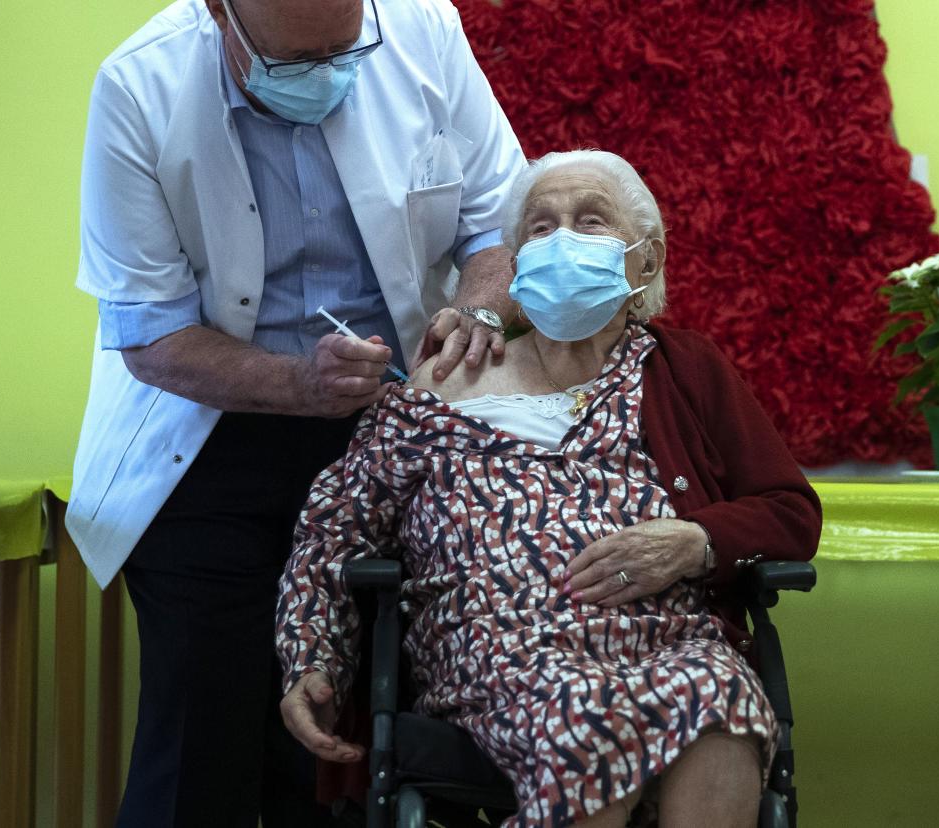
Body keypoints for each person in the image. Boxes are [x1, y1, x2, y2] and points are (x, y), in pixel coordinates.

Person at [65, 0, 525, 824]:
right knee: (203, 727)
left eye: (343, 52)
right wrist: (297, 388)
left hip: (392, 433)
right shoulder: (138, 86)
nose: (327, 78)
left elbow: (500, 221)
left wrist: (480, 313)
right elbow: (153, 336)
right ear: (220, 14)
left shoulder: (424, 30)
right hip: (208, 435)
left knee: (368, 731)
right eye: (293, 61)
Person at [277, 150, 822, 826]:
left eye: (590, 222)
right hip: (504, 653)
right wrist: (313, 654)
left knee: (724, 695)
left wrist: (696, 541)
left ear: (644, 263)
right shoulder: (445, 385)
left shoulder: (684, 372)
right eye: (539, 228)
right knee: (587, 716)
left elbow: (789, 512)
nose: (561, 240)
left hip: (667, 636)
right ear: (513, 264)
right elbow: (338, 524)